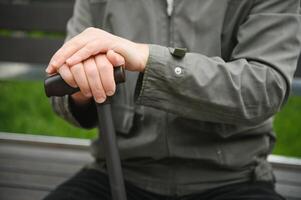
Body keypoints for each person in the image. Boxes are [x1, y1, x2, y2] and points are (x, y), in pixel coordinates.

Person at [44, 0, 301, 199]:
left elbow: (264, 88)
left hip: (232, 179)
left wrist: (148, 59)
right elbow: (63, 94)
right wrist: (80, 87)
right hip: (118, 172)